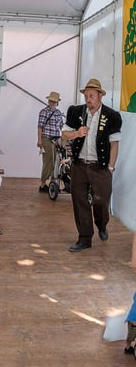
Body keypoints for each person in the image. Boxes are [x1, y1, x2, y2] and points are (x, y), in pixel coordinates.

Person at [61, 78, 122, 252]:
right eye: (86, 96)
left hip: (100, 167)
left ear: (100, 96)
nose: (88, 99)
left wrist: (110, 168)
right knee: (79, 200)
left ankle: (102, 225)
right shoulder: (76, 112)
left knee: (101, 200)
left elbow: (114, 144)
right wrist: (76, 134)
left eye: (92, 96)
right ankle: (85, 238)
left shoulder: (112, 116)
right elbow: (65, 135)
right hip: (79, 165)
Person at [37, 91, 65, 192]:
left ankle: (53, 183)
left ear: (57, 102)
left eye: (54, 101)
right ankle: (43, 183)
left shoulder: (58, 113)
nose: (51, 103)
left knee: (56, 161)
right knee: (48, 161)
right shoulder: (44, 111)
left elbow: (62, 126)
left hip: (56, 139)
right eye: (50, 101)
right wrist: (39, 140)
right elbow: (40, 127)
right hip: (47, 138)